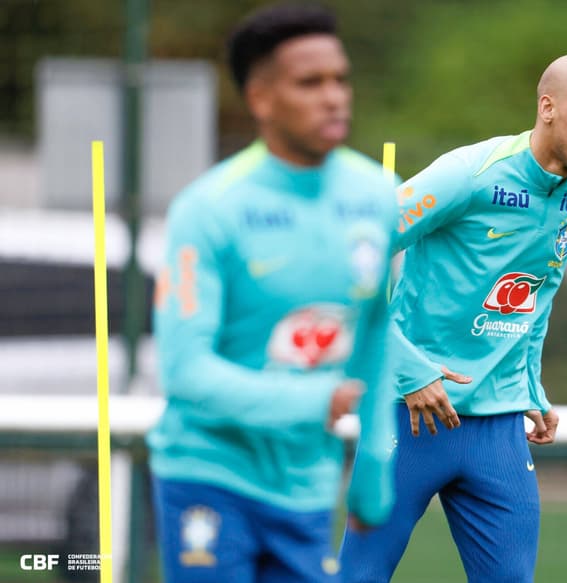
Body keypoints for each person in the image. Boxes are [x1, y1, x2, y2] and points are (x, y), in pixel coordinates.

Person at [339, 54, 567, 582]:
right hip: (409, 415)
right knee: (360, 575)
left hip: (499, 431)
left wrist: (531, 385)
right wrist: (409, 368)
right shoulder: (469, 174)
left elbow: (542, 287)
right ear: (548, 108)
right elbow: (356, 258)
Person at [147, 4, 397, 582]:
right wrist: (311, 403)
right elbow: (185, 372)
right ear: (261, 99)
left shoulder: (378, 195)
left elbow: (381, 328)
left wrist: (374, 467)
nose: (334, 97)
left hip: (306, 487)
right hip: (208, 477)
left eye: (340, 79)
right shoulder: (209, 209)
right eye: (310, 83)